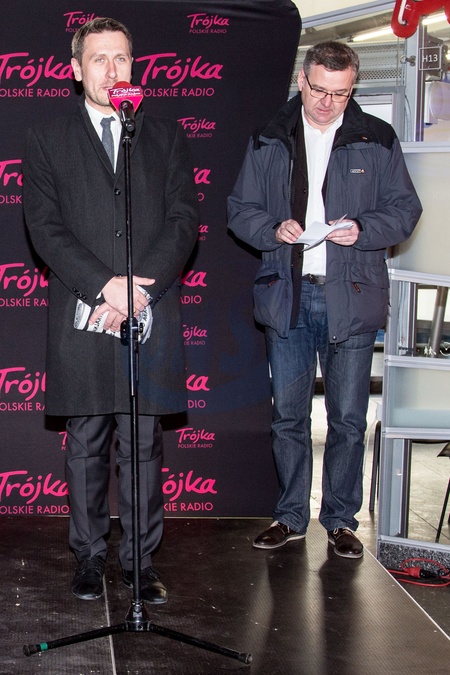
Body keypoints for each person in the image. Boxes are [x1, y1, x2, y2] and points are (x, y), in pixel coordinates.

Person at [23, 18, 199, 600]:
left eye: (121, 58)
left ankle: (140, 563)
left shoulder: (164, 135)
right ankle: (89, 556)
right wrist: (105, 286)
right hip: (83, 311)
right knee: (86, 443)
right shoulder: (47, 138)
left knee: (144, 443)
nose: (112, 69)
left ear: (133, 66)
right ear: (76, 70)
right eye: (99, 59)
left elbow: (183, 220)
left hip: (149, 309)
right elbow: (44, 228)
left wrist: (138, 292)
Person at [227, 41, 422, 559]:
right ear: (302, 80)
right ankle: (290, 517)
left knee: (348, 420)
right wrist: (273, 228)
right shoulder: (269, 136)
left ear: (352, 88)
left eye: (340, 93)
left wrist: (363, 229)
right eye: (318, 90)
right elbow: (240, 209)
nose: (327, 102)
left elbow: (405, 209)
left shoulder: (377, 137)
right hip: (288, 295)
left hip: (351, 296)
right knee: (288, 417)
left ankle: (340, 521)